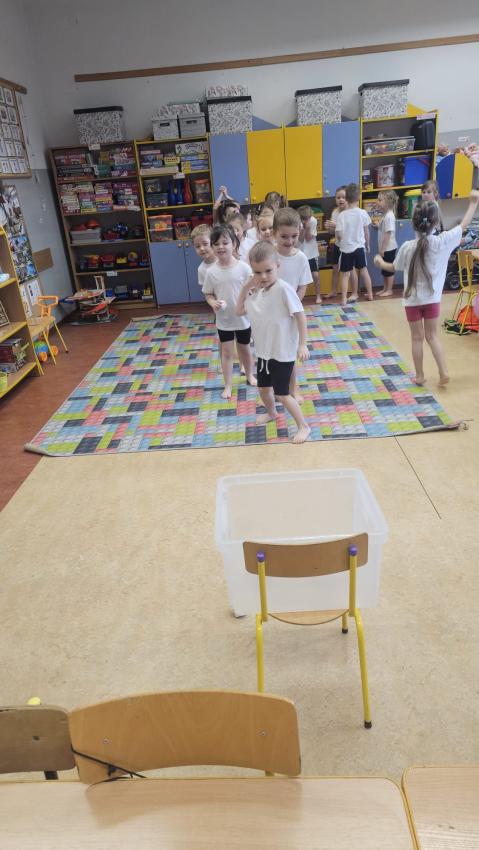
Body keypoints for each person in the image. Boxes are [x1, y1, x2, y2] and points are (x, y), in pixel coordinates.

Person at [374, 190, 479, 387]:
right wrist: (473, 203)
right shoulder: (442, 242)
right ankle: (443, 372)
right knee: (432, 337)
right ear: (436, 222)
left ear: (413, 223)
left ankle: (420, 376)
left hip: (412, 301)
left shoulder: (407, 246)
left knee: (417, 338)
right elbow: (463, 226)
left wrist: (380, 262)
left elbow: (393, 267)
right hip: (432, 301)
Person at [236, 240, 311, 444]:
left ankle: (303, 426)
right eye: (257, 272)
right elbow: (239, 310)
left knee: (282, 394)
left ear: (278, 266)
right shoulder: (257, 294)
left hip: (282, 353)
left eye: (268, 271)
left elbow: (300, 315)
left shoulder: (284, 289)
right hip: (264, 353)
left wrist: (302, 344)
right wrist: (246, 287)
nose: (263, 277)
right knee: (263, 389)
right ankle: (271, 413)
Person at [203, 224, 257, 398]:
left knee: (245, 350)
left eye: (225, 243)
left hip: (243, 319)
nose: (221, 247)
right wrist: (213, 302)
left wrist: (251, 293)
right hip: (224, 320)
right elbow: (208, 293)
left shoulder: (244, 268)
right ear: (212, 247)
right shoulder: (211, 272)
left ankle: (249, 375)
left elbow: (253, 288)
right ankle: (227, 384)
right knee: (226, 353)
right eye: (216, 244)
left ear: (234, 244)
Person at [273, 206, 312, 403]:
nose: (289, 241)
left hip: (291, 314)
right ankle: (271, 389)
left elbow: (303, 286)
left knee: (289, 354)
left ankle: (293, 388)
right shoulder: (270, 255)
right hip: (271, 313)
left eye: (294, 236)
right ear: (274, 234)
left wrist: (293, 307)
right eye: (284, 237)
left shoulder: (301, 258)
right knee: (271, 353)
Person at [335, 183, 374, 306]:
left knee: (345, 275)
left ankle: (343, 299)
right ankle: (370, 294)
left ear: (346, 198)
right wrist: (367, 245)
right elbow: (366, 232)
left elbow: (339, 234)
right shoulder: (363, 213)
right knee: (364, 271)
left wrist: (341, 239)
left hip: (346, 249)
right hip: (359, 248)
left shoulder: (341, 215)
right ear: (359, 197)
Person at [324, 185, 357, 300]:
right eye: (338, 197)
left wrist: (336, 226)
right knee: (335, 269)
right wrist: (329, 228)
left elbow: (351, 231)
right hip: (337, 245)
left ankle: (354, 293)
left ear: (348, 198)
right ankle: (333, 291)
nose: (341, 199)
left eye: (343, 197)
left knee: (351, 270)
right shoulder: (335, 212)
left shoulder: (351, 212)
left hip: (349, 247)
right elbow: (333, 232)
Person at [376, 190, 398, 297]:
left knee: (388, 270)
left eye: (380, 200)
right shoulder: (386, 215)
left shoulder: (389, 216)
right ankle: (385, 288)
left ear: (388, 202)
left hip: (388, 248)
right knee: (384, 269)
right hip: (385, 248)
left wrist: (383, 249)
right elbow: (384, 229)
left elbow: (388, 234)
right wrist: (378, 225)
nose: (378, 202)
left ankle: (389, 289)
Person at [298, 204, 321, 304]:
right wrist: (303, 228)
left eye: (306, 219)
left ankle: (318, 295)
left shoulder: (313, 221)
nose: (304, 221)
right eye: (302, 219)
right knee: (299, 277)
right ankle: (298, 296)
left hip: (312, 253)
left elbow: (308, 238)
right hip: (300, 253)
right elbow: (300, 239)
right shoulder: (298, 223)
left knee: (315, 275)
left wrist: (307, 228)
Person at [191, 224, 215, 292]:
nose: (202, 248)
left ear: (213, 242)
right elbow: (206, 292)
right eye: (198, 246)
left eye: (205, 244)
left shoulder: (223, 260)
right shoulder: (201, 269)